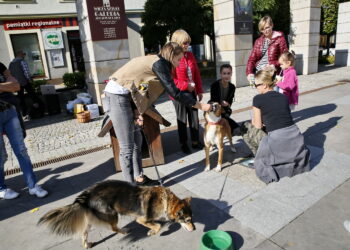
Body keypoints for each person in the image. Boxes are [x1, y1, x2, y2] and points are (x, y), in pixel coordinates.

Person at [103, 42, 211, 186]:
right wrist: (201, 106)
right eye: (178, 59)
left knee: (137, 141)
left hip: (126, 97)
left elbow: (140, 86)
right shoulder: (160, 64)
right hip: (116, 97)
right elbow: (175, 92)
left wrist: (137, 110)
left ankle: (139, 178)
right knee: (127, 148)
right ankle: (129, 189)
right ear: (171, 56)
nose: (179, 64)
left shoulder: (155, 61)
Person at [240, 66, 310, 184]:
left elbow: (257, 126)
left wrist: (254, 121)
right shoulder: (283, 97)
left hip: (278, 140)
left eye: (256, 85)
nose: (255, 88)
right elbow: (280, 117)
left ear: (264, 85)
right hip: (295, 137)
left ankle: (258, 155)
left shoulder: (258, 99)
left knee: (245, 127)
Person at [0, 63, 48, 199]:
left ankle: (33, 186)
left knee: (21, 150)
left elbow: (16, 86)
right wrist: (6, 87)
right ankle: (1, 188)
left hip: (10, 110)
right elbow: (11, 86)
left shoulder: (0, 66)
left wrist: (5, 87)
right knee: (1, 155)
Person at [170, 29, 204, 154]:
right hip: (179, 94)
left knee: (194, 117)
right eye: (184, 43)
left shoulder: (190, 55)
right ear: (177, 42)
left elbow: (197, 74)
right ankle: (183, 143)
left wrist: (199, 90)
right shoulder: (172, 58)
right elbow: (171, 81)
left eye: (188, 42)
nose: (187, 45)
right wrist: (185, 86)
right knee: (182, 119)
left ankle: (195, 141)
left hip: (191, 92)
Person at [246, 15, 288, 84]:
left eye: (267, 27)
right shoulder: (258, 41)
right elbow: (252, 59)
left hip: (273, 75)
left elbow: (285, 58)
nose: (265, 31)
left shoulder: (280, 39)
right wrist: (249, 73)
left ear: (272, 25)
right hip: (260, 75)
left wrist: (273, 65)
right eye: (262, 29)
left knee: (274, 94)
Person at [9, 50, 43, 120]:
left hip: (17, 83)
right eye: (24, 54)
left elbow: (10, 74)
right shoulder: (22, 62)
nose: (24, 56)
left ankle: (24, 113)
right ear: (20, 55)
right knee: (33, 95)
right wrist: (30, 80)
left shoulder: (11, 63)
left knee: (20, 98)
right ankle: (39, 110)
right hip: (25, 82)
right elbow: (26, 72)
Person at [209, 64, 240, 136]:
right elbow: (213, 99)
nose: (226, 76)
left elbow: (231, 100)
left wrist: (228, 104)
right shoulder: (215, 85)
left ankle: (229, 129)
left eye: (228, 73)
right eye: (224, 73)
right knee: (223, 115)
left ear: (231, 74)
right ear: (221, 74)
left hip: (225, 108)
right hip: (215, 107)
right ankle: (234, 127)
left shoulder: (232, 87)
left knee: (226, 114)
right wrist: (220, 103)